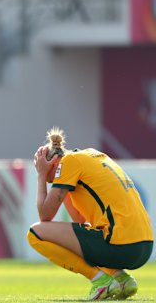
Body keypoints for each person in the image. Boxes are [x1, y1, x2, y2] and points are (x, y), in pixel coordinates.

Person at [28, 127, 153, 301]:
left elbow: (45, 216)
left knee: (35, 233)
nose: (52, 183)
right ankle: (122, 279)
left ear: (55, 164)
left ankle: (100, 280)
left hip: (121, 246)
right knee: (89, 233)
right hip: (144, 247)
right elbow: (79, 220)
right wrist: (63, 183)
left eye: (53, 179)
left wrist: (41, 176)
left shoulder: (68, 162)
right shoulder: (92, 155)